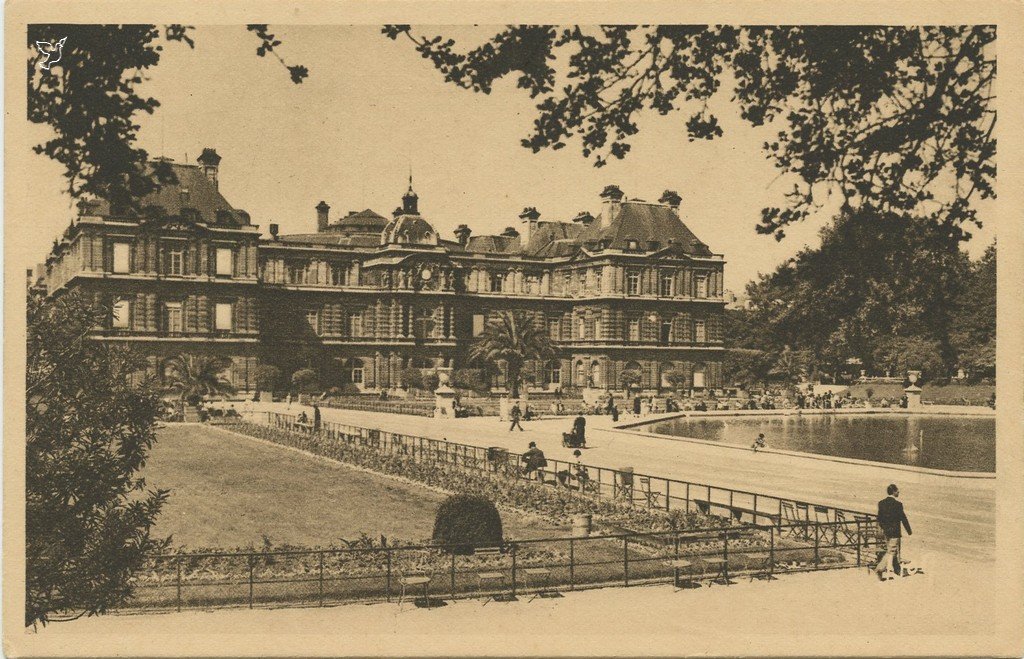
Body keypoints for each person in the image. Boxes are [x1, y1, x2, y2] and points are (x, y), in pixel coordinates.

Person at [875, 483, 912, 580]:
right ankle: (880, 569)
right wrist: (909, 531)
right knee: (891, 552)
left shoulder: (881, 503)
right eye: (897, 490)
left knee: (892, 551)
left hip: (886, 532)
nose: (899, 492)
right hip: (895, 532)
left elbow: (879, 518)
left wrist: (883, 528)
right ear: (894, 492)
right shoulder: (898, 504)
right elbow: (903, 518)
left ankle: (897, 569)